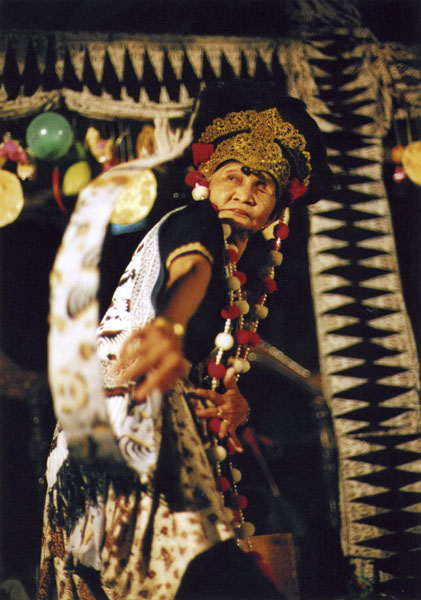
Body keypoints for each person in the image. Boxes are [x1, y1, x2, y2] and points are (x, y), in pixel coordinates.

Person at [37, 79, 335, 599]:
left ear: (276, 208)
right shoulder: (197, 223)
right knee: (209, 580)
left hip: (104, 434)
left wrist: (227, 399)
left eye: (262, 184)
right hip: (130, 427)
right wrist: (169, 328)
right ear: (206, 181)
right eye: (232, 175)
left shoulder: (237, 275)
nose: (244, 191)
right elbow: (189, 268)